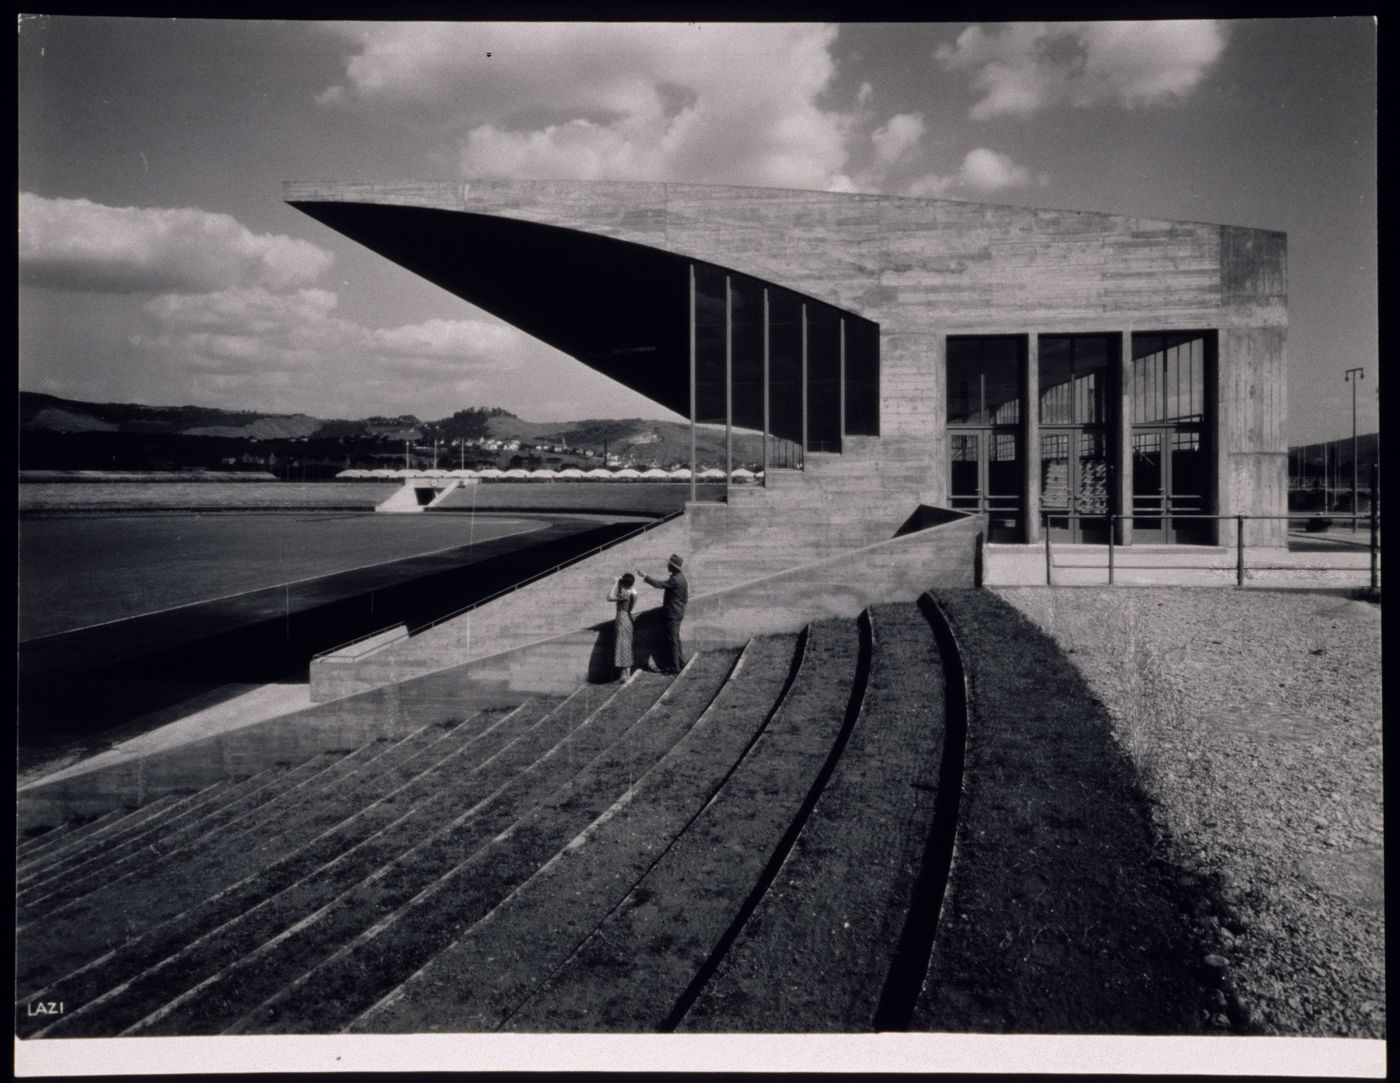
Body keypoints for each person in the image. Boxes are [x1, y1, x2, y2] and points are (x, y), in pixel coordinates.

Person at [640, 554, 688, 675]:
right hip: (679, 612)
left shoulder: (674, 580)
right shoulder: (682, 578)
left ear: (673, 567)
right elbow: (685, 598)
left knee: (672, 640)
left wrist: (645, 576)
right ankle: (681, 663)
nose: (667, 566)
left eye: (669, 564)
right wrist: (679, 607)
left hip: (672, 614)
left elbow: (658, 584)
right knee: (676, 638)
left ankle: (675, 667)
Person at [606, 572, 638, 681]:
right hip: (628, 619)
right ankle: (627, 674)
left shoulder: (624, 594)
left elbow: (609, 597)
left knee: (621, 646)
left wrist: (615, 583)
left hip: (621, 620)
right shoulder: (633, 592)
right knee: (627, 646)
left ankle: (623, 675)